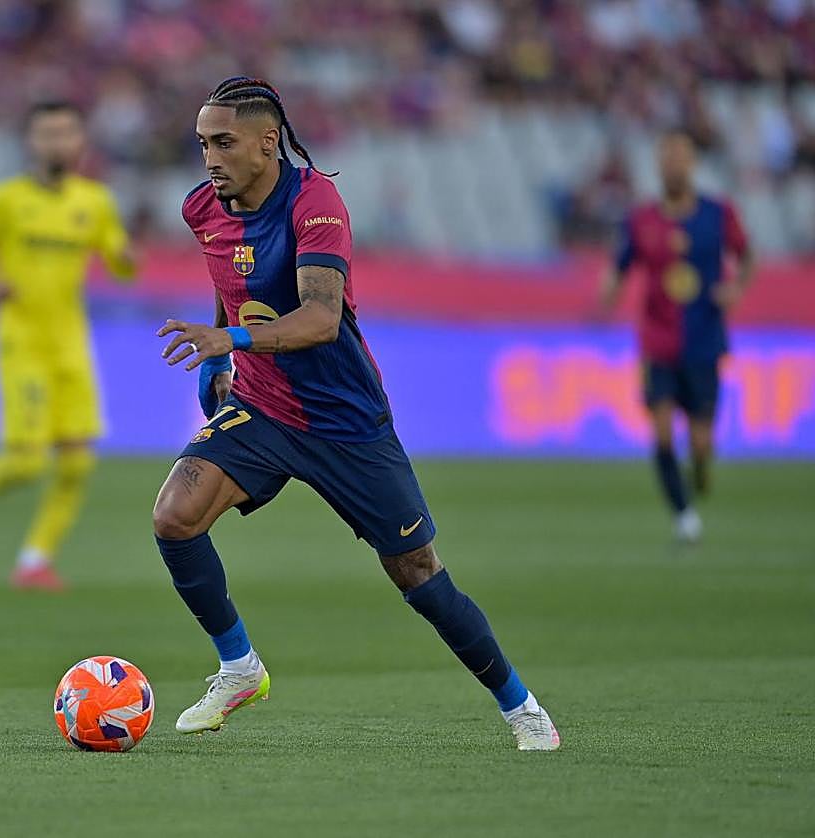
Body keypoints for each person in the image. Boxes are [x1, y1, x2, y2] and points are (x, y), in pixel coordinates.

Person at [152, 77, 559, 751]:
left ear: (267, 141)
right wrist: (219, 361)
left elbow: (319, 317)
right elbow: (231, 280)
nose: (210, 158)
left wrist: (231, 340)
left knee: (417, 572)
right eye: (202, 144)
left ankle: (522, 708)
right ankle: (239, 668)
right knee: (174, 515)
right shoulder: (203, 208)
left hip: (344, 421)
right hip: (262, 407)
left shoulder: (315, 202)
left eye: (223, 143)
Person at [0, 101, 135, 590]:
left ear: (80, 142)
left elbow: (118, 259)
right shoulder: (4, 201)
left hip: (70, 342)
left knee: (77, 460)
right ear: (31, 143)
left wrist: (124, 256)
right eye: (47, 134)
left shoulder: (94, 201)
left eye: (66, 133)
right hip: (22, 339)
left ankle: (34, 560)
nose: (57, 143)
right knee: (30, 459)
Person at [600, 130, 753, 543]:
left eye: (680, 157)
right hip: (658, 342)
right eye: (666, 157)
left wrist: (736, 288)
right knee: (663, 430)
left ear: (692, 163)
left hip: (704, 340)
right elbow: (622, 263)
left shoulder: (718, 214)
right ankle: (684, 514)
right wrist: (610, 289)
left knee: (701, 442)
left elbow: (746, 254)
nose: (673, 164)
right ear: (658, 164)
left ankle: (700, 468)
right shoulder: (642, 220)